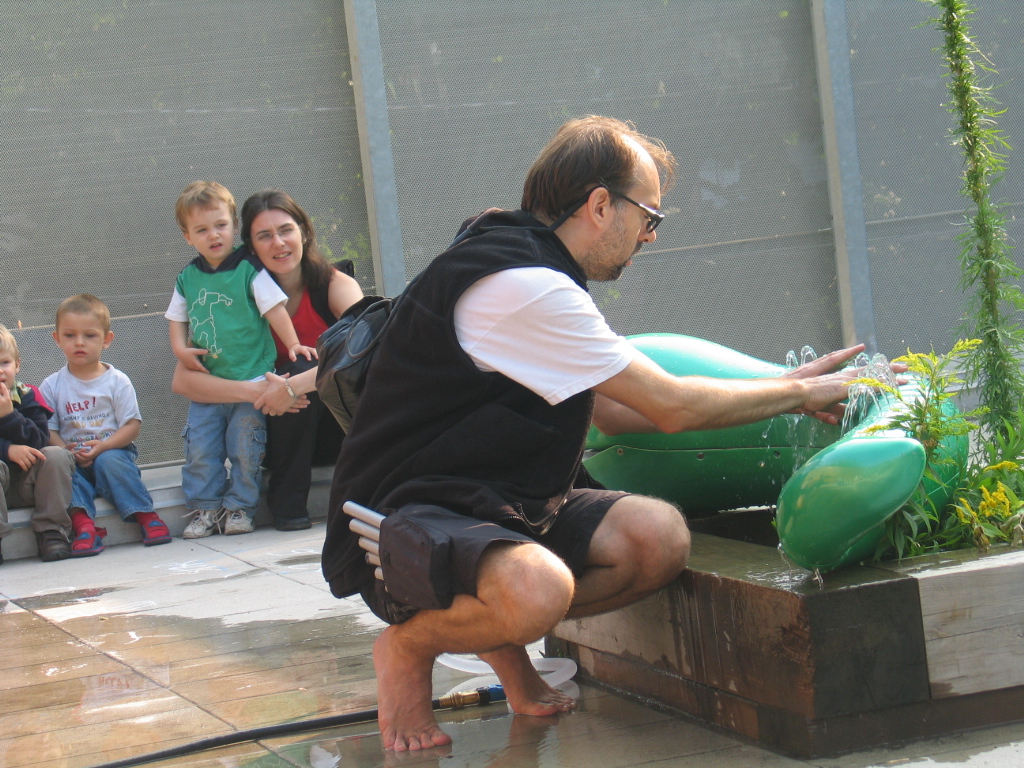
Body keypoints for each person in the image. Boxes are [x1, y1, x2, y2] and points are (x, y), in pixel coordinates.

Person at [321, 115, 884, 752]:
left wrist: (779, 391)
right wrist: (799, 393)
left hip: (493, 509)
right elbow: (670, 406)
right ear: (598, 205)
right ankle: (407, 647)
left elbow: (615, 415)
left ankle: (496, 635)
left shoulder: (527, 259)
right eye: (650, 216)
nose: (650, 236)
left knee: (657, 539)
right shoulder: (526, 286)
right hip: (404, 521)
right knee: (537, 589)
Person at [172, 189, 363, 530]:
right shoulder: (234, 294)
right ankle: (287, 509)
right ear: (249, 246)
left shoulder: (335, 285)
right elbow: (184, 380)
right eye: (264, 236)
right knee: (288, 376)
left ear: (304, 231)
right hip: (267, 433)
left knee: (301, 368)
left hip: (335, 431)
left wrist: (290, 388)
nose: (278, 243)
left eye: (286, 230)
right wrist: (260, 392)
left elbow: (365, 354)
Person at [41, 294, 172, 556]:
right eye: (70, 335)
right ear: (57, 339)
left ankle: (146, 516)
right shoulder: (51, 385)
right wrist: (66, 453)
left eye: (89, 335)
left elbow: (132, 426)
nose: (79, 342)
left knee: (111, 462)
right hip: (73, 457)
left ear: (107, 339)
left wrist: (103, 447)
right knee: (63, 475)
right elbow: (49, 430)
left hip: (112, 451)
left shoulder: (117, 381)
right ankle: (85, 528)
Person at [0, 324, 76, 563]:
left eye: (4, 362)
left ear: (17, 364)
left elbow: (40, 439)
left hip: (28, 484)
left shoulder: (28, 395)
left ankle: (51, 531)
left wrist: (9, 415)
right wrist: (7, 449)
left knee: (56, 454)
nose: (0, 370)